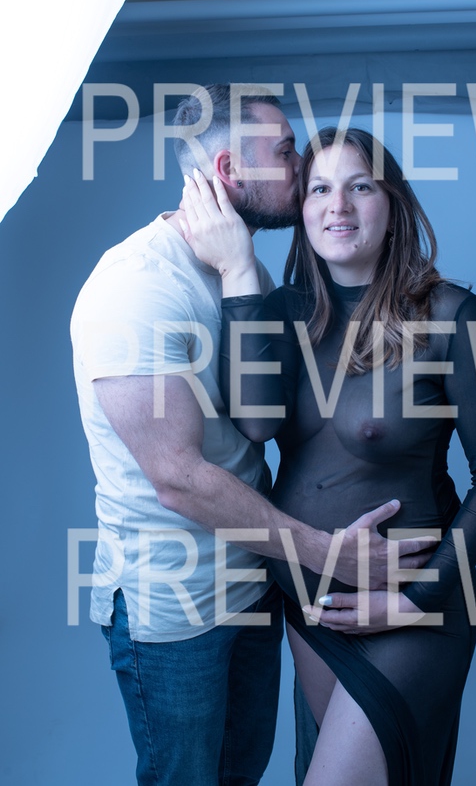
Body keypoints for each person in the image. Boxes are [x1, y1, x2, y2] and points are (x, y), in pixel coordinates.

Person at [70, 88, 433, 786]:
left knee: (243, 773)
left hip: (252, 585)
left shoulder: (243, 269)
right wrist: (325, 552)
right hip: (176, 610)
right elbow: (179, 479)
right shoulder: (135, 289)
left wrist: (241, 273)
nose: (303, 167)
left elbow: (256, 424)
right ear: (232, 168)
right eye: (287, 153)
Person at [180, 125, 476, 786]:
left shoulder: (451, 317)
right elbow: (255, 422)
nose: (337, 206)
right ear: (302, 209)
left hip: (415, 604)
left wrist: (417, 599)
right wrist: (238, 273)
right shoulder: (279, 312)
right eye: (319, 189)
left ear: (392, 203)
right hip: (311, 606)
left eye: (360, 187)